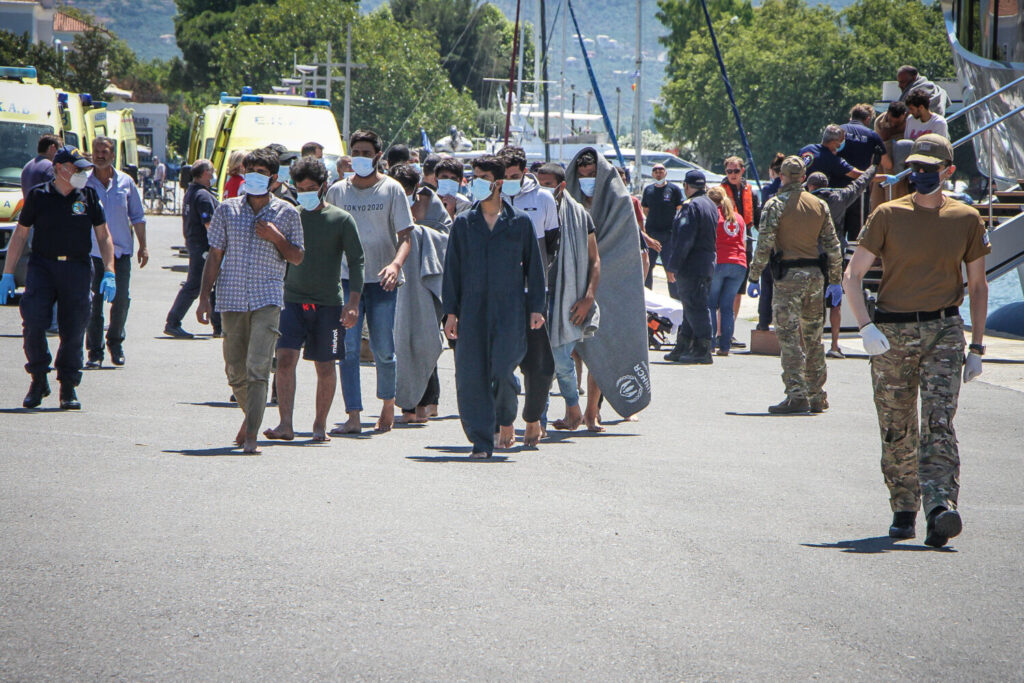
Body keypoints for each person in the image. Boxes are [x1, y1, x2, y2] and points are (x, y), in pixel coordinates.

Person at [842, 133, 989, 547]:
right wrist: (866, 327)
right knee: (896, 424)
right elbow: (852, 276)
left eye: (930, 168)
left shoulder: (966, 219)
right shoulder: (888, 215)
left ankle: (940, 507)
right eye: (916, 167)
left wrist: (977, 347)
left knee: (939, 422)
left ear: (948, 171)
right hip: (891, 332)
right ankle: (904, 506)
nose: (921, 174)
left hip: (943, 331)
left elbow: (977, 287)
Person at [195, 147, 304, 454]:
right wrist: (204, 297)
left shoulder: (287, 213)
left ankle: (252, 435)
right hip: (231, 298)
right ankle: (251, 415)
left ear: (273, 179)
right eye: (249, 172)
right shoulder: (227, 209)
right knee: (235, 369)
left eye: (260, 173)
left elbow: (297, 257)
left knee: (258, 367)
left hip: (267, 298)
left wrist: (277, 238)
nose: (253, 178)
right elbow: (214, 255)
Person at [441, 155, 546, 458]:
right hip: (471, 311)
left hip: (510, 311)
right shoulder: (463, 223)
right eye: (473, 177)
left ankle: (504, 419)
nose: (476, 183)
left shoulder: (520, 223)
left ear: (498, 183)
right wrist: (451, 312)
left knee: (502, 371)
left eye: (482, 178)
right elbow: (452, 270)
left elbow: (535, 271)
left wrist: (537, 307)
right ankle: (481, 441)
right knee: (471, 377)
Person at [1, 146, 116, 410]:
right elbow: (20, 234)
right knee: (33, 323)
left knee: (74, 328)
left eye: (83, 169)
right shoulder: (38, 196)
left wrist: (109, 271)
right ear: (60, 168)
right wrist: (8, 273)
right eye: (76, 168)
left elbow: (103, 235)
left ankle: (68, 385)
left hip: (76, 268)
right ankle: (39, 378)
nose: (82, 173)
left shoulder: (87, 195)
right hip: (43, 267)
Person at [263, 156, 363, 444]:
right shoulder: (289, 215)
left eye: (311, 188)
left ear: (324, 186)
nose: (305, 193)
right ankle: (285, 424)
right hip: (291, 301)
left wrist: (353, 302)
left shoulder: (341, 220)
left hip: (328, 304)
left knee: (325, 365)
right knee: (284, 360)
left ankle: (319, 425)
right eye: (300, 188)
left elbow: (357, 261)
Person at [325, 129, 414, 434]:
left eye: (366, 152)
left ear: (378, 156)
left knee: (383, 348)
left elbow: (406, 237)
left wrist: (395, 264)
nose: (361, 157)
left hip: (383, 282)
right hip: (347, 282)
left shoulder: (392, 190)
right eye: (356, 152)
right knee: (347, 349)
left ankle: (388, 406)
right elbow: (327, 234)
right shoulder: (337, 191)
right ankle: (352, 414)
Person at [747, 156, 843, 414]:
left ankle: (796, 394)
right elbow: (833, 246)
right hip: (815, 276)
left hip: (788, 278)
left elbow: (764, 242)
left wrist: (754, 275)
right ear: (803, 177)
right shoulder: (819, 205)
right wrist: (835, 280)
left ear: (782, 176)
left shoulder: (775, 205)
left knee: (789, 339)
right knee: (814, 339)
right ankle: (817, 395)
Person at [565, 148, 651, 430]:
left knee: (603, 349)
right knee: (571, 350)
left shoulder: (619, 200)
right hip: (572, 281)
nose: (587, 180)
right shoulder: (568, 200)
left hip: (610, 284)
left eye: (592, 175)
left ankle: (592, 411)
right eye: (582, 176)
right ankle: (572, 410)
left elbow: (625, 245)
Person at [497, 145, 558, 446]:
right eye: (504, 176)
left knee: (539, 364)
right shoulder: (486, 198)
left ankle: (533, 418)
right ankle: (503, 421)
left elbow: (552, 247)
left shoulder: (543, 199)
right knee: (499, 362)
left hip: (533, 293)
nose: (509, 181)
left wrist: (538, 284)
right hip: (497, 295)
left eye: (514, 176)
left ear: (525, 173)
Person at [536, 163, 600, 432]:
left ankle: (573, 409)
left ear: (561, 186)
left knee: (561, 359)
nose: (542, 189)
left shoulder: (579, 216)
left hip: (567, 298)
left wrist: (588, 298)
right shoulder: (530, 208)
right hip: (536, 295)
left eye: (548, 184)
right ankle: (538, 418)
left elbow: (594, 260)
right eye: (538, 182)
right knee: (537, 362)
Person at [388, 162, 449, 425]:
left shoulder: (430, 203)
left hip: (424, 282)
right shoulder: (386, 199)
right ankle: (406, 407)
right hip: (394, 281)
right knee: (398, 343)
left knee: (424, 341)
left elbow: (447, 237)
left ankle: (426, 403)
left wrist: (419, 232)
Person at [84, 136, 147, 368]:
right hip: (91, 254)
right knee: (93, 304)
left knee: (121, 301)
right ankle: (95, 351)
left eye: (105, 151)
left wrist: (143, 245)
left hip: (120, 254)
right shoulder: (84, 183)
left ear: (113, 155)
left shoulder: (126, 182)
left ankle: (115, 342)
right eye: (96, 151)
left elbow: (137, 217)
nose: (100, 155)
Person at [804, 164, 877, 358]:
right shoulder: (839, 198)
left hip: (813, 258)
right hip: (835, 257)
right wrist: (873, 168)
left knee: (813, 304)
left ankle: (813, 345)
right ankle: (835, 346)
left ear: (810, 186)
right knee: (835, 304)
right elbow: (860, 184)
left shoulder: (806, 201)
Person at [662, 170, 719, 365]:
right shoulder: (710, 204)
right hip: (706, 262)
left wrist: (673, 265)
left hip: (692, 264)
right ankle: (684, 345)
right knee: (690, 305)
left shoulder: (691, 206)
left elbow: (685, 239)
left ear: (686, 186)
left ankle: (703, 348)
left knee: (695, 306)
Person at [165, 159, 219, 338]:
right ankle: (173, 322)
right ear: (205, 173)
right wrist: (219, 246)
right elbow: (209, 225)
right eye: (212, 172)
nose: (213, 175)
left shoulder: (193, 191)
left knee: (212, 285)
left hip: (195, 244)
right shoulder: (203, 195)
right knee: (195, 285)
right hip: (203, 247)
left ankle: (219, 326)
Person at [720, 156, 759, 349]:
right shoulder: (719, 192)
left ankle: (729, 332)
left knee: (737, 292)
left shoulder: (750, 192)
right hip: (725, 244)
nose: (732, 175)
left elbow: (758, 220)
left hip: (745, 245)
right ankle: (720, 333)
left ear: (742, 171)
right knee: (721, 292)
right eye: (729, 171)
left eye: (736, 171)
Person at [705, 186, 746, 357]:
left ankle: (711, 344)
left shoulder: (713, 216)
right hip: (739, 264)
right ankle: (725, 347)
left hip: (719, 261)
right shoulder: (738, 218)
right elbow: (743, 241)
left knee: (711, 305)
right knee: (727, 307)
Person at [838, 104, 887, 242]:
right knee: (857, 232)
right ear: (868, 118)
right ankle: (852, 261)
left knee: (835, 230)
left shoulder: (838, 130)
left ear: (851, 116)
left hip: (836, 189)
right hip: (859, 191)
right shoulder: (872, 135)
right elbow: (887, 163)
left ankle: (835, 262)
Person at [640, 162, 682, 295]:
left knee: (670, 268)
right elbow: (645, 209)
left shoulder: (673, 189)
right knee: (648, 266)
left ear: (666, 172)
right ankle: (648, 296)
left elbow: (679, 208)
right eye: (655, 170)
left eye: (661, 170)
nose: (658, 172)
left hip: (669, 235)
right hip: (652, 234)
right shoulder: (648, 190)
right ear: (652, 174)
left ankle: (675, 298)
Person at [756, 152, 786, 331]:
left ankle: (763, 321)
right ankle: (781, 321)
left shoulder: (767, 190)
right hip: (786, 243)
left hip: (769, 242)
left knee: (766, 283)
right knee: (782, 285)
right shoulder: (792, 190)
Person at [800, 124, 864, 188]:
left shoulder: (806, 149)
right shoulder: (831, 159)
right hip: (813, 195)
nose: (843, 143)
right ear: (834, 142)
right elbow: (854, 173)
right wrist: (871, 175)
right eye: (842, 140)